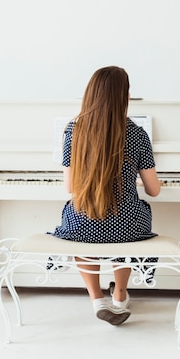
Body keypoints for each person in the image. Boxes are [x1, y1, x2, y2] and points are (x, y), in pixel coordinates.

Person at [51, 65, 161, 326]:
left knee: (81, 215)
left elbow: (70, 188)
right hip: (126, 228)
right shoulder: (137, 133)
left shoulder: (73, 130)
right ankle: (120, 294)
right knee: (132, 214)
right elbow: (153, 190)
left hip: (84, 226)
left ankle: (97, 297)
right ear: (124, 96)